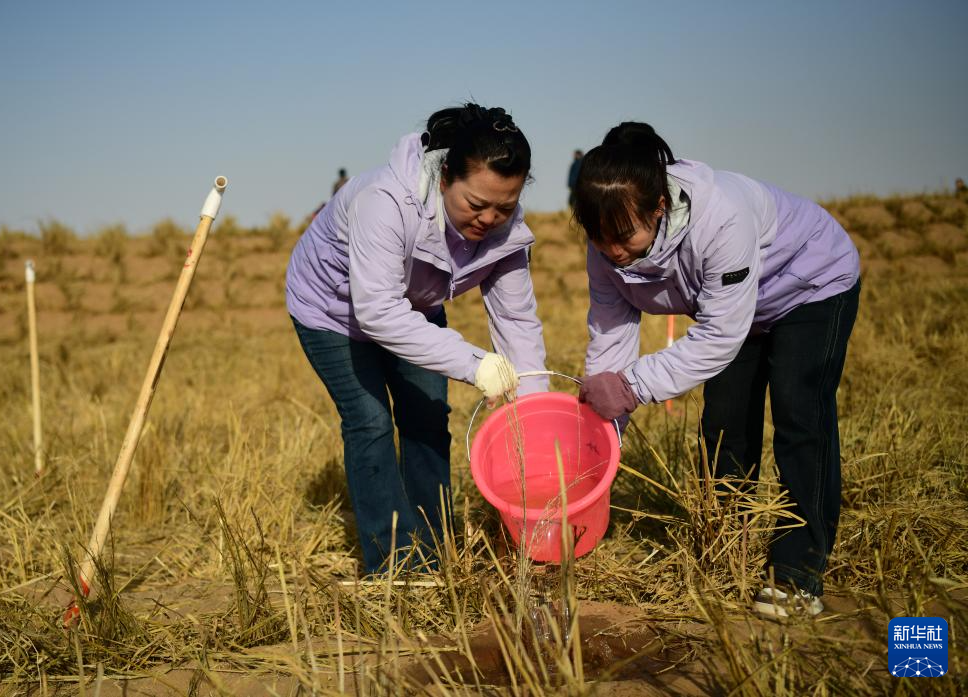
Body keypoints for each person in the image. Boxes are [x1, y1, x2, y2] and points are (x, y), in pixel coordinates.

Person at [573, 122, 860, 618]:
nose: (612, 251)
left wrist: (633, 386)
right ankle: (729, 542)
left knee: (799, 414)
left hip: (811, 285)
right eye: (599, 240)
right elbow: (611, 345)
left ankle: (798, 572)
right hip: (730, 307)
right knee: (724, 421)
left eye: (622, 237)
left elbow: (720, 337)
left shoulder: (720, 216)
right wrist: (603, 442)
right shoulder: (606, 248)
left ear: (659, 208)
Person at [286, 104, 548, 573]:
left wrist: (533, 412)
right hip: (333, 312)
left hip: (414, 308)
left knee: (427, 417)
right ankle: (397, 565)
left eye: (505, 207)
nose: (489, 218)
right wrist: (475, 364)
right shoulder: (384, 201)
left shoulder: (506, 232)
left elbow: (517, 322)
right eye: (476, 204)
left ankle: (435, 549)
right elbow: (378, 312)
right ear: (445, 175)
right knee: (370, 423)